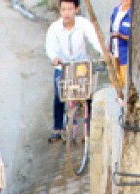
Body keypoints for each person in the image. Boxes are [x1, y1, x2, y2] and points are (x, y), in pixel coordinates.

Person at [44, 0, 103, 142]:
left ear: (76, 9)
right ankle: (57, 128)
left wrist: (103, 53)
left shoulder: (83, 24)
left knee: (87, 94)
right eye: (63, 9)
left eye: (70, 9)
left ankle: (88, 127)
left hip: (81, 65)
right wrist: (54, 57)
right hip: (63, 66)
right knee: (59, 94)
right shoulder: (55, 27)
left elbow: (95, 39)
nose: (66, 13)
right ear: (60, 10)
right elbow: (50, 46)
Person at [109, 0, 131, 87]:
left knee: (127, 85)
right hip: (115, 54)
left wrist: (121, 36)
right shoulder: (116, 11)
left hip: (126, 56)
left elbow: (137, 38)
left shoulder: (133, 14)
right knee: (115, 85)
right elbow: (111, 30)